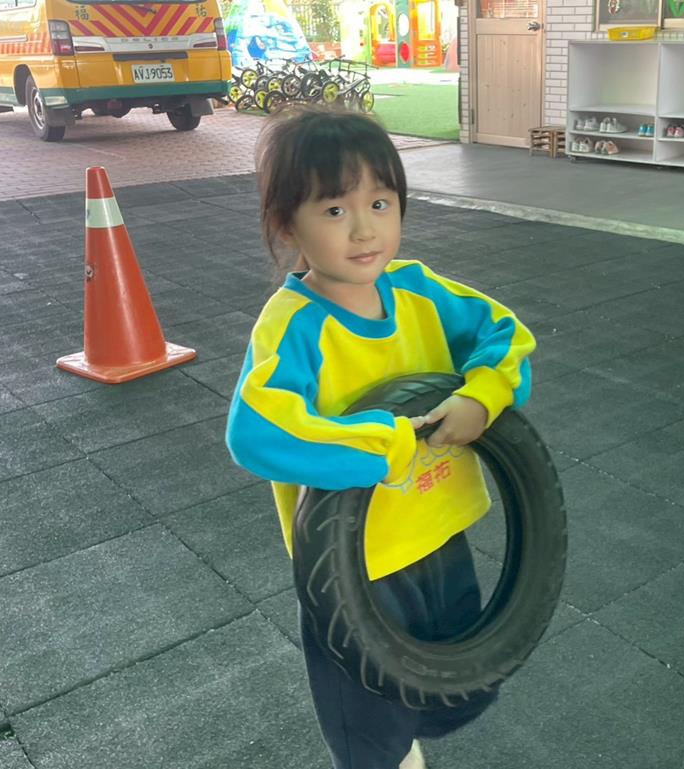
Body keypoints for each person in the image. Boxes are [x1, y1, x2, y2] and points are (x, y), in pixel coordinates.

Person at [225, 105, 536, 769]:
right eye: (335, 209)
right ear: (288, 224)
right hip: (352, 571)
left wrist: (482, 394)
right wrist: (384, 443)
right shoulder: (294, 327)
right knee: (368, 728)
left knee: (457, 687)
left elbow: (506, 334)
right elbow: (256, 431)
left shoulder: (421, 293)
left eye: (380, 202)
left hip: (439, 534)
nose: (365, 228)